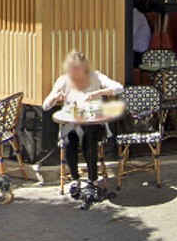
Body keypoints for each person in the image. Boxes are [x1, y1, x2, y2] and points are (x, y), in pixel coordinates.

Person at [42, 50, 121, 189]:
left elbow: (119, 88)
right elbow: (45, 106)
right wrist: (55, 98)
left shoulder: (96, 76)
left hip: (94, 121)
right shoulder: (63, 80)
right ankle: (74, 178)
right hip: (72, 122)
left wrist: (99, 92)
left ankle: (93, 179)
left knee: (89, 137)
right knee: (69, 139)